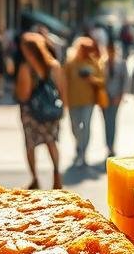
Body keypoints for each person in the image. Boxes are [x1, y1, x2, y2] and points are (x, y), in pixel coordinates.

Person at [14, 32, 67, 189]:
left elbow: (23, 95)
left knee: (30, 146)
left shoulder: (26, 68)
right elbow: (63, 90)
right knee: (52, 143)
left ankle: (35, 179)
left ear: (28, 50)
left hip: (31, 113)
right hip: (52, 112)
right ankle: (57, 178)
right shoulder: (54, 66)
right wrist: (62, 109)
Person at [63, 37, 105, 168]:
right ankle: (78, 146)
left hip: (88, 100)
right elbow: (63, 81)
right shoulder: (70, 64)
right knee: (75, 127)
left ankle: (83, 151)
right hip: (73, 100)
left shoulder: (94, 63)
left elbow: (102, 81)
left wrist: (92, 79)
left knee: (86, 126)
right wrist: (63, 99)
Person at [103, 42, 127, 156]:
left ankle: (111, 145)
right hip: (105, 97)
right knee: (106, 122)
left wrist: (121, 96)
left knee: (112, 121)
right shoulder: (102, 63)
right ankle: (108, 144)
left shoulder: (121, 64)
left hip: (116, 97)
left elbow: (125, 81)